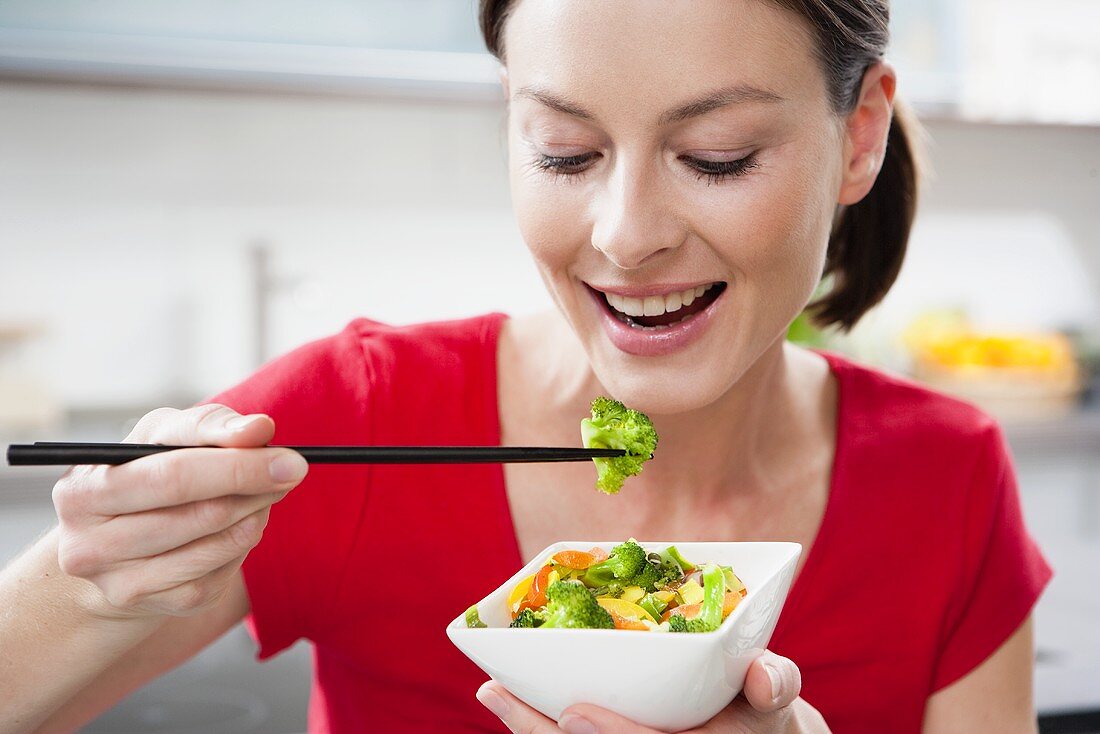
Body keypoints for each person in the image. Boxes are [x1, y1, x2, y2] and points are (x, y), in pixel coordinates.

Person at [0, 1, 1051, 732]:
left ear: (858, 134)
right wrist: (82, 589)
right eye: (563, 151)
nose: (625, 234)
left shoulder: (943, 474)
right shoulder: (354, 415)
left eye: (716, 155)